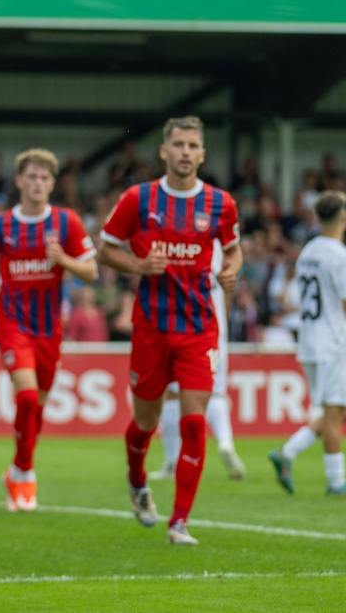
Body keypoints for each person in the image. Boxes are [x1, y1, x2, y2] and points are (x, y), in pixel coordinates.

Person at [99, 116, 241, 545]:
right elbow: (105, 250)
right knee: (146, 421)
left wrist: (231, 272)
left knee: (195, 422)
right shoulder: (138, 199)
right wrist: (140, 266)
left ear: (202, 154)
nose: (184, 151)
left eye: (191, 145)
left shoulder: (221, 203)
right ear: (164, 151)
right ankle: (138, 479)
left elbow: (233, 251)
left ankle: (180, 521)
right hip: (151, 329)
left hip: (199, 328)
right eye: (177, 144)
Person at [0, 148, 98, 512]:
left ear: (53, 183)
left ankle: (17, 466)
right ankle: (25, 476)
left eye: (45, 178)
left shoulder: (66, 222)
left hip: (49, 329)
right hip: (12, 321)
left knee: (37, 406)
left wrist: (64, 260)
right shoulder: (0, 224)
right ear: (19, 181)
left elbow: (91, 271)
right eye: (32, 176)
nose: (38, 183)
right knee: (27, 397)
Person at [268, 191, 346, 498]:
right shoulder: (342, 256)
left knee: (340, 411)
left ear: (318, 218)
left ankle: (287, 453)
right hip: (333, 342)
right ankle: (336, 483)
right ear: (344, 218)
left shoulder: (308, 251)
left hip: (309, 341)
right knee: (335, 413)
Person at [150, 239, 246, 482]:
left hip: (182, 326)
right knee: (216, 392)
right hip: (216, 328)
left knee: (173, 393)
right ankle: (226, 443)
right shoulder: (218, 242)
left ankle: (172, 461)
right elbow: (228, 285)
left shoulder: (180, 239)